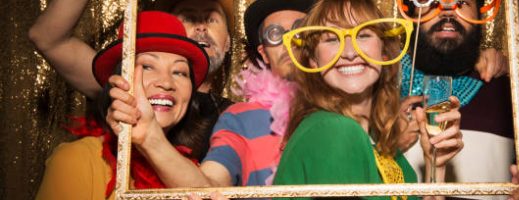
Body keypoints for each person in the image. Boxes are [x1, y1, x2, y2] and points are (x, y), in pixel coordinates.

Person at [29, 0, 234, 188]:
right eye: (188, 18)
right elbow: (47, 38)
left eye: (211, 19)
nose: (201, 26)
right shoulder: (127, 86)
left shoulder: (243, 118)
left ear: (228, 43)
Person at [398, 0, 519, 199]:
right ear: (409, 11)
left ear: (480, 16)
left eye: (462, 1)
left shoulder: (518, 101)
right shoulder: (373, 91)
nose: (447, 8)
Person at [273, 1, 463, 199]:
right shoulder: (333, 130)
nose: (349, 52)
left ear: (383, 51)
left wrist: (435, 165)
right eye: (331, 39)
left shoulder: (383, 147)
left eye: (363, 35)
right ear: (314, 59)